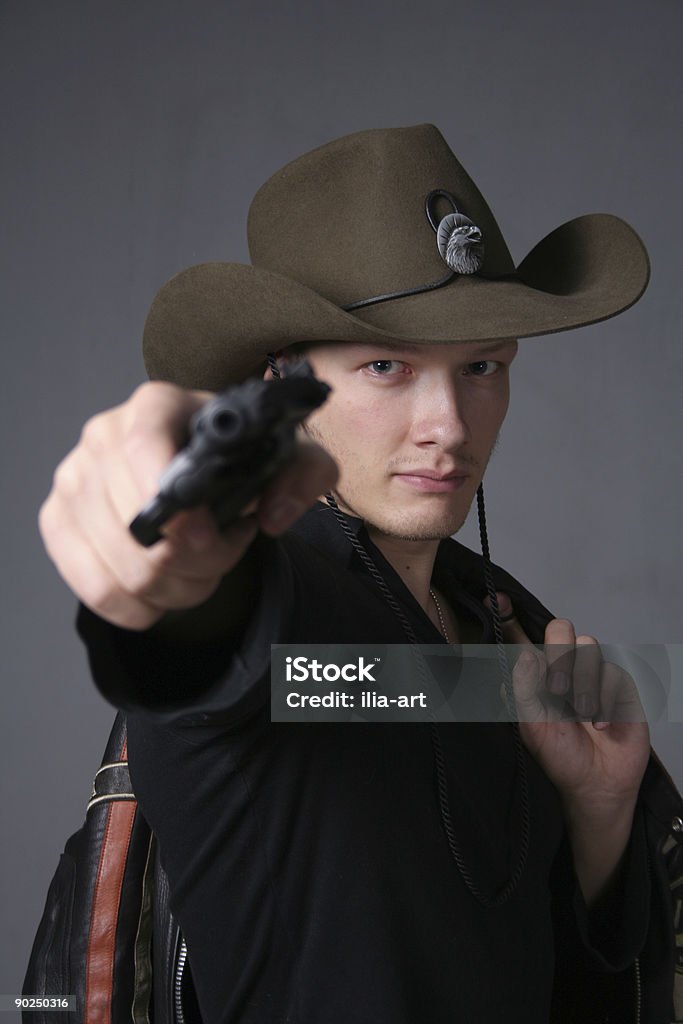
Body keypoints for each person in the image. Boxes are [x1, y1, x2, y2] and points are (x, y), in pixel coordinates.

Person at [38, 125, 682, 1023]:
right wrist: (161, 524)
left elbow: (571, 987)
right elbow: (201, 618)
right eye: (386, 366)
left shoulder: (499, 630)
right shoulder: (281, 605)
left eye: (481, 368)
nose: (448, 424)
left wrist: (600, 811)